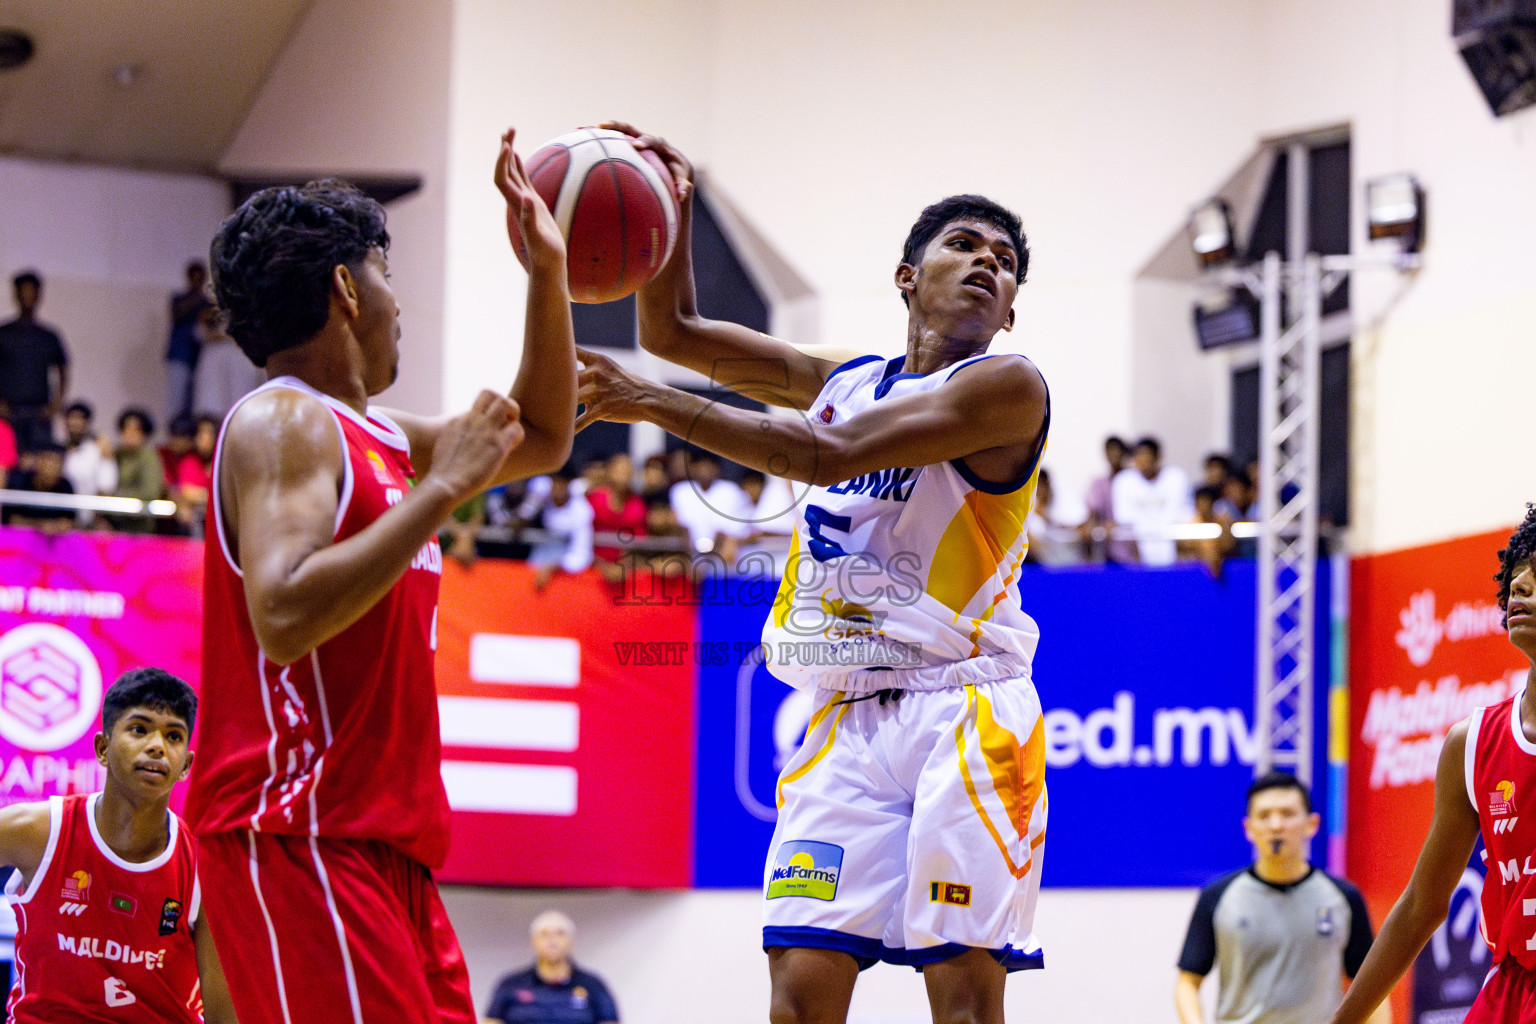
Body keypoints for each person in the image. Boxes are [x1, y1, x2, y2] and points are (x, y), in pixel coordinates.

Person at [576, 122, 1049, 1024]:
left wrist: (646, 400)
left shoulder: (1006, 387)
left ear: (1013, 307)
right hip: (844, 716)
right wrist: (667, 209)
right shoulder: (846, 377)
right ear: (908, 277)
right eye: (962, 245)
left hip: (965, 710)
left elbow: (825, 456)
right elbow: (669, 329)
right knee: (797, 995)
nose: (987, 262)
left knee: (961, 998)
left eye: (1004, 260)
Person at [182, 129, 576, 1024]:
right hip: (299, 831)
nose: (400, 303)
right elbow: (282, 611)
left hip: (383, 843)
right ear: (348, 288)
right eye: (388, 275)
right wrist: (443, 490)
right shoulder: (282, 421)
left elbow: (547, 434)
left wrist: (546, 272)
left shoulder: (382, 437)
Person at [1328, 506, 1536, 1024]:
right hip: (1510, 993)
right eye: (1516, 575)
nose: (1522, 587)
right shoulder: (1472, 742)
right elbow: (1422, 904)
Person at [0, 667, 234, 1023]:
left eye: (173, 736)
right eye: (139, 729)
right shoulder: (38, 831)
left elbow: (224, 1014)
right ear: (103, 748)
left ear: (185, 765)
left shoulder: (205, 866)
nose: (157, 746)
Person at [1175, 772, 1387, 1024]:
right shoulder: (1218, 896)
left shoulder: (1343, 897)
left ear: (1312, 824)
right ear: (1249, 828)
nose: (1276, 826)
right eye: (1264, 816)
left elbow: (1373, 986)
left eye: (1287, 814)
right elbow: (1188, 982)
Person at [482, 911, 620, 1024]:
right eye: (544, 934)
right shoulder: (511, 983)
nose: (552, 940)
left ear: (571, 941)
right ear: (533, 942)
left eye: (560, 933)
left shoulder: (593, 984)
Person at [0, 271, 68, 452]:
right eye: (23, 291)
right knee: (6, 465)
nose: (27, 296)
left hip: (39, 414)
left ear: (39, 295)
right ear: (15, 294)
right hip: (7, 413)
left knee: (39, 465)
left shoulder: (48, 336)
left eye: (32, 291)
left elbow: (63, 370)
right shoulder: (3, 333)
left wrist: (55, 405)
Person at [1112, 435, 1193, 566]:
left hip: (1175, 553)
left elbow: (1184, 517)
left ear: (1157, 457)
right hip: (1137, 556)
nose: (1143, 461)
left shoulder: (1176, 477)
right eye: (1139, 456)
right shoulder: (1124, 481)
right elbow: (1124, 521)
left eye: (1147, 455)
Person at [166, 262, 214, 424]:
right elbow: (176, 314)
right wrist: (198, 299)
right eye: (194, 278)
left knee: (195, 403)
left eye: (200, 278)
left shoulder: (207, 304)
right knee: (176, 400)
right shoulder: (179, 298)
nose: (197, 281)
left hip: (200, 357)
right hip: (179, 355)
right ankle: (174, 434)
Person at [1, 441, 74, 533]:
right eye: (49, 462)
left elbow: (69, 523)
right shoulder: (19, 482)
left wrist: (56, 527)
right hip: (18, 543)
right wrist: (40, 526)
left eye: (57, 464)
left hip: (54, 545)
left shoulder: (65, 486)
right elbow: (12, 520)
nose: (52, 469)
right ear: (39, 462)